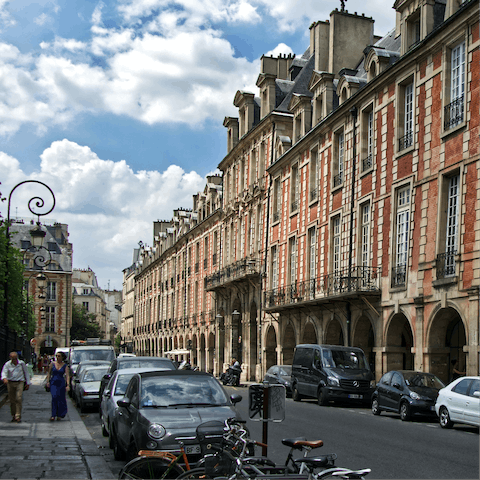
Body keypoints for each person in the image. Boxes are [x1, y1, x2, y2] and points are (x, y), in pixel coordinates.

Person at [1, 351, 31, 423]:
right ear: (10, 358)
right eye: (13, 358)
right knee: (12, 400)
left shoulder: (21, 363)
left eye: (15, 358)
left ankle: (18, 416)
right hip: (10, 382)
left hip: (20, 382)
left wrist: (28, 383)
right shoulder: (7, 364)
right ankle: (13, 415)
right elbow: (4, 372)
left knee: (19, 398)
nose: (14, 360)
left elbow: (26, 372)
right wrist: (4, 378)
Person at [46, 351, 70, 421]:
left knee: (60, 399)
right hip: (53, 383)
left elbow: (67, 376)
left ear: (62, 357)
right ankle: (53, 415)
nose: (57, 357)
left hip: (61, 383)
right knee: (54, 398)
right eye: (56, 356)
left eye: (59, 356)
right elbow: (49, 373)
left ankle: (59, 414)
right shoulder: (52, 364)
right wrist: (48, 382)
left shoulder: (65, 366)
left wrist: (68, 385)